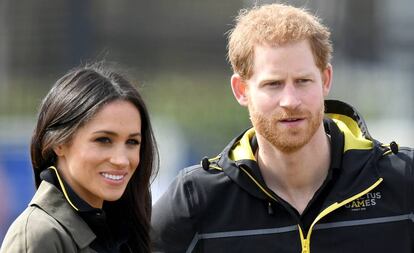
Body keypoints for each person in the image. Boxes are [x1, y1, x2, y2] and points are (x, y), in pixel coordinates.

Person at [151, 3, 414, 253]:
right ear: (241, 90)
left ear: (325, 80)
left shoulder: (403, 181)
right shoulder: (195, 201)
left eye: (302, 81)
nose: (290, 101)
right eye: (273, 84)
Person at [0, 64, 158, 253]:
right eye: (104, 140)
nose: (121, 160)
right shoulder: (39, 235)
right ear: (59, 143)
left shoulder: (121, 232)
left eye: (132, 142)